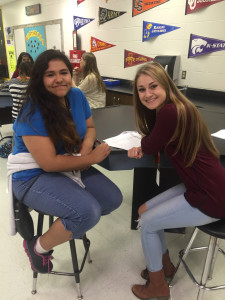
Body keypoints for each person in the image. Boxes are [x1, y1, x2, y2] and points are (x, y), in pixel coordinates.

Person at [8, 49, 122, 274]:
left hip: (70, 161)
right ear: (40, 78)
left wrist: (86, 147)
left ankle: (70, 222)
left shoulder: (76, 96)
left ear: (72, 74)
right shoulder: (32, 110)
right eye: (50, 74)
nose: (59, 78)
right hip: (33, 174)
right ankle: (37, 247)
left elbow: (90, 127)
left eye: (64, 72)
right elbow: (48, 163)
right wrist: (88, 159)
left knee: (112, 199)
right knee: (87, 212)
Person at [128, 62, 225, 300]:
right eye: (141, 89)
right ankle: (165, 267)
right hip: (203, 185)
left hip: (210, 196)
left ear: (166, 85)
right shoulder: (177, 107)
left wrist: (139, 145)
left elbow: (150, 145)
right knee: (143, 211)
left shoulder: (170, 112)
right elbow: (157, 140)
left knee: (148, 222)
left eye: (153, 86)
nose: (147, 93)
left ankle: (158, 286)